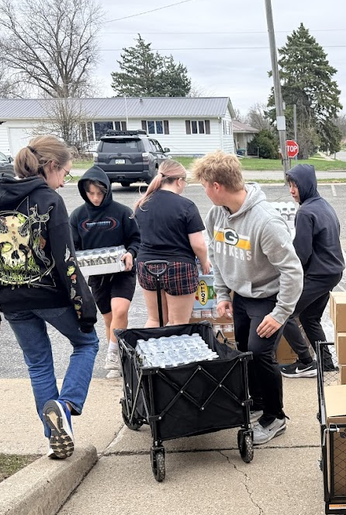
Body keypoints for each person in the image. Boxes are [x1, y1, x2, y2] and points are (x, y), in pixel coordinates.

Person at [0, 135, 98, 460]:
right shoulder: (49, 200)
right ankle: (66, 406)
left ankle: (56, 438)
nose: (64, 181)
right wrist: (84, 308)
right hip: (51, 296)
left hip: (11, 299)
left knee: (39, 365)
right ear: (51, 166)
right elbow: (66, 261)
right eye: (65, 173)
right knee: (87, 343)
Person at [191, 151, 303, 445]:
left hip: (268, 298)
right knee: (244, 351)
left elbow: (293, 271)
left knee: (260, 353)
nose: (204, 191)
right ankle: (257, 403)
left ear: (217, 186)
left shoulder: (266, 222)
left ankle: (275, 417)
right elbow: (217, 255)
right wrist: (223, 293)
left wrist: (280, 314)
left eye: (204, 185)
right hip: (240, 297)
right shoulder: (216, 215)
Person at [69, 166, 141, 378]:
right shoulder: (77, 216)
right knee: (109, 318)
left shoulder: (123, 212)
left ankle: (112, 355)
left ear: (107, 191)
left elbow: (136, 239)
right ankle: (119, 356)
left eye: (100, 193)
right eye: (91, 193)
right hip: (97, 275)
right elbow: (73, 247)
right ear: (84, 192)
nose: (96, 198)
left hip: (123, 271)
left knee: (120, 310)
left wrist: (131, 253)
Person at [279, 164, 345, 378]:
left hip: (319, 274)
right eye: (289, 185)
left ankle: (306, 362)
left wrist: (286, 275)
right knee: (309, 317)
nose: (292, 190)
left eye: (295, 185)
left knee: (284, 313)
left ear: (306, 184)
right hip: (333, 272)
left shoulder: (305, 212)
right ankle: (326, 364)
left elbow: (301, 253)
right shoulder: (324, 205)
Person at [132, 160, 210, 327]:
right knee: (178, 322)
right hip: (178, 267)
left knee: (155, 319)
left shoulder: (142, 204)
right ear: (179, 181)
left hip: (146, 265)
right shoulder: (186, 206)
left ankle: (146, 345)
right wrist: (204, 262)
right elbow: (198, 244)